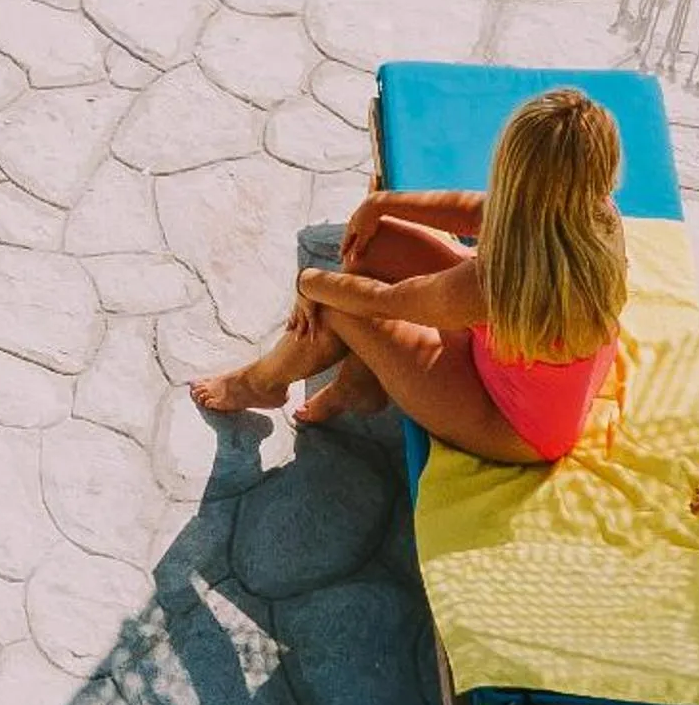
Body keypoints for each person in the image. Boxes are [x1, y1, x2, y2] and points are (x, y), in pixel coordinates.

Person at [188, 87, 628, 465]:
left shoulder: (489, 288)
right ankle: (358, 385)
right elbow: (478, 211)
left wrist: (307, 282)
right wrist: (382, 204)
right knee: (372, 245)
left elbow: (384, 302)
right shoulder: (594, 214)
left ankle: (260, 383)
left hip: (513, 424)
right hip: (524, 360)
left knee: (340, 309)